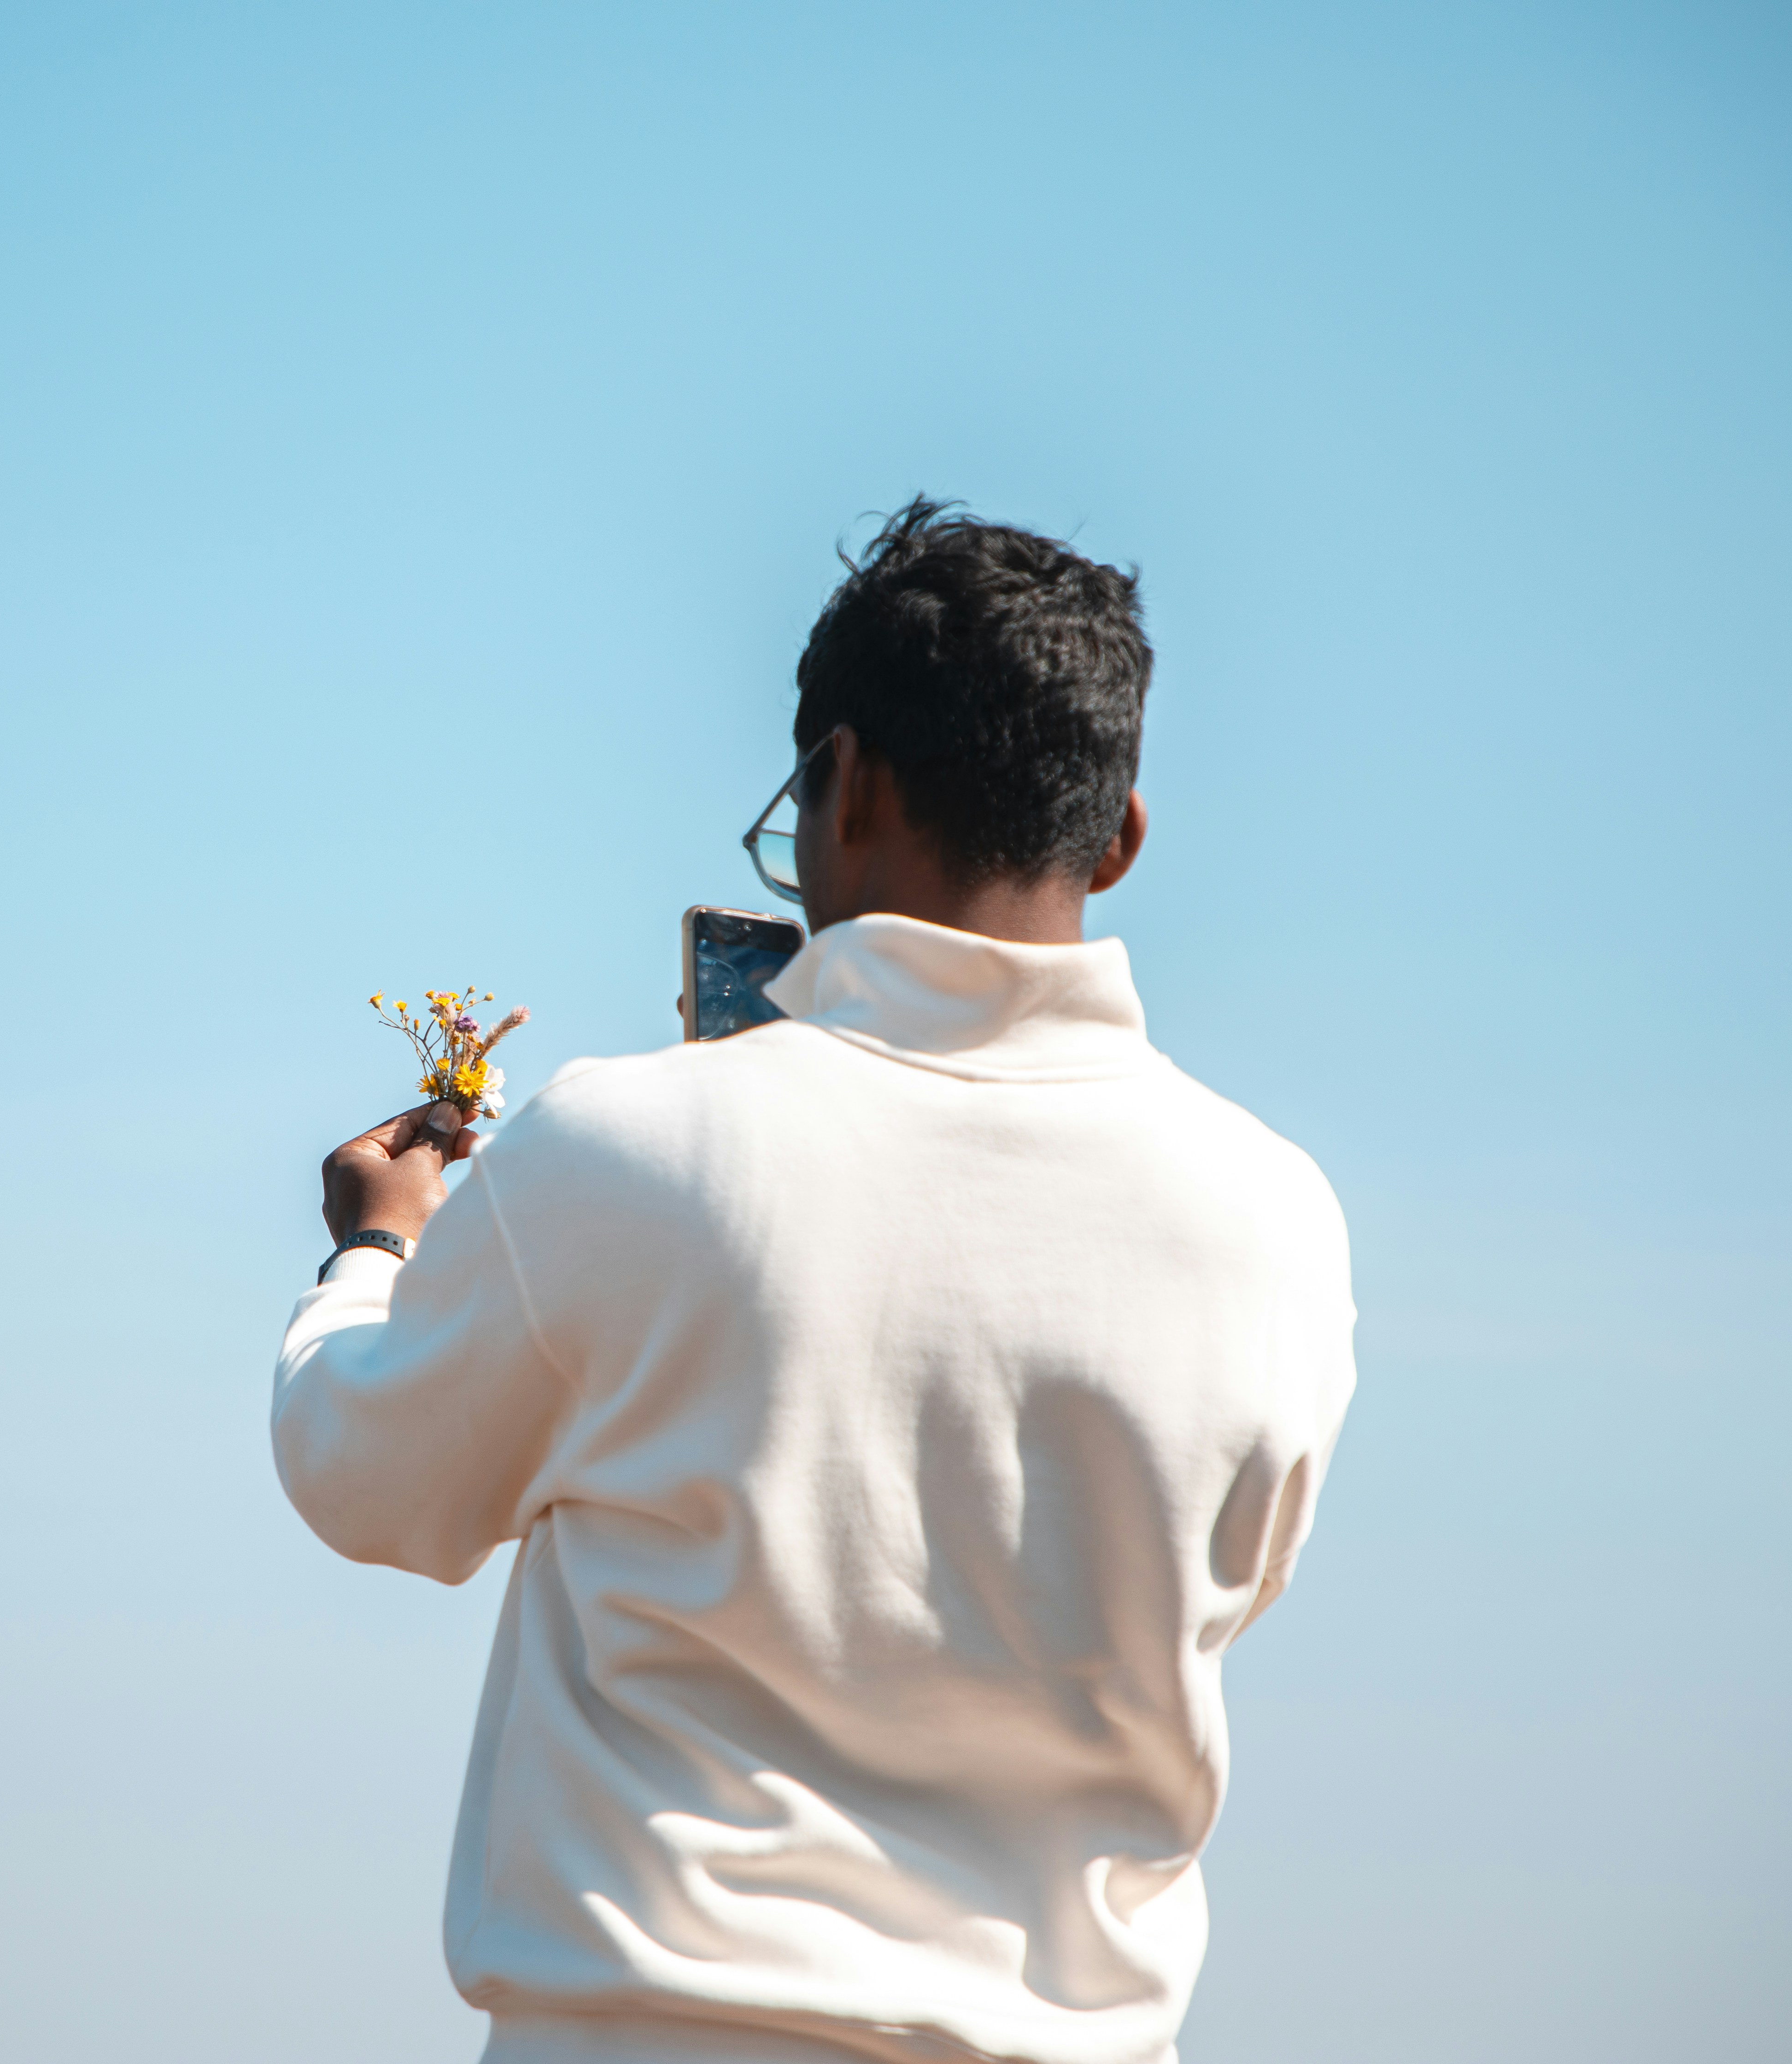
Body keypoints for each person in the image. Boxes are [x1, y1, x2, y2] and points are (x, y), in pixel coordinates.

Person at [272, 500, 1357, 2064]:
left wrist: (373, 1252)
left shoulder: (633, 1146)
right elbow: (1214, 1595)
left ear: (840, 783)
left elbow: (369, 1479)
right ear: (1118, 835)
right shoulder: (1278, 1221)